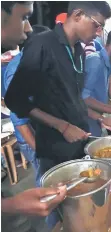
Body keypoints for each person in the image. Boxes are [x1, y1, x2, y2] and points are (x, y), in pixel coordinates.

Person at [1, 1, 66, 218]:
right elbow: (20, 118)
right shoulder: (18, 70)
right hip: (33, 140)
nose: (28, 27)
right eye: (24, 17)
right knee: (46, 189)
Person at [4, 25, 51, 187]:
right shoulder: (18, 71)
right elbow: (20, 121)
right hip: (31, 137)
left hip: (43, 131)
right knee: (46, 179)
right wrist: (41, 152)